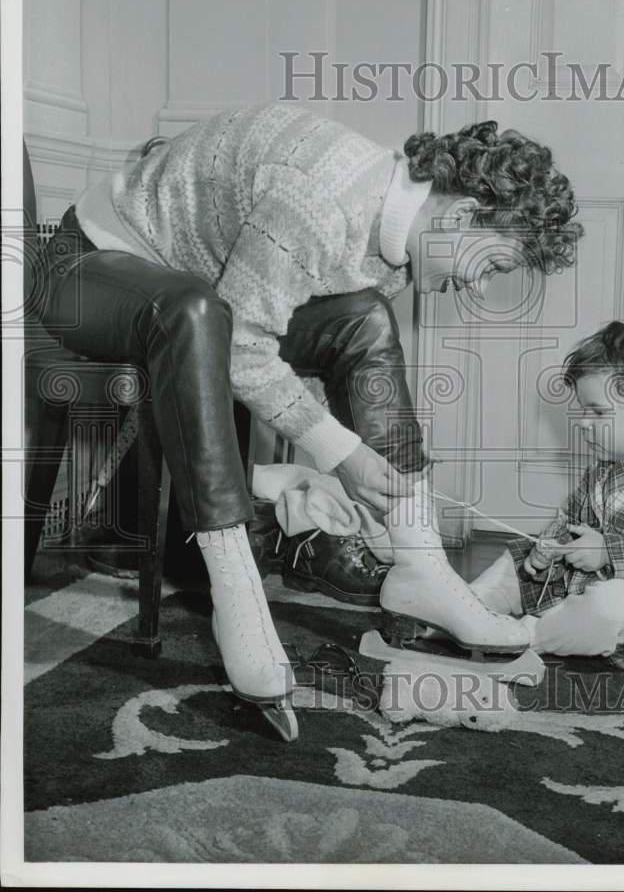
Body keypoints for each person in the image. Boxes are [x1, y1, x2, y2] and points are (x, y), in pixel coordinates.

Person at [39, 103, 582, 738]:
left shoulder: (394, 235)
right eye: (492, 266)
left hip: (198, 294)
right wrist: (339, 452)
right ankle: (236, 595)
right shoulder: (321, 200)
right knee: (197, 312)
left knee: (366, 320)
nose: (481, 288)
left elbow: (262, 319)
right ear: (459, 217)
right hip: (85, 269)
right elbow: (243, 347)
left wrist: (347, 463)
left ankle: (421, 568)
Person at [470, 320, 624, 672]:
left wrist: (607, 550)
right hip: (574, 595)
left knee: (616, 603)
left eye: (598, 412)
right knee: (515, 560)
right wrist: (548, 549)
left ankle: (523, 637)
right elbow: (568, 523)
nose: (583, 423)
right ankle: (465, 614)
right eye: (583, 410)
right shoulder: (603, 467)